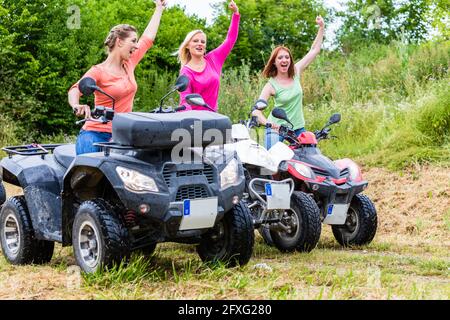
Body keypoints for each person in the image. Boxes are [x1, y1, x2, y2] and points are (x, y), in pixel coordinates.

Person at [68, 0, 167, 155]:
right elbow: (75, 89)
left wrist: (159, 9)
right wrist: (76, 105)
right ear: (120, 42)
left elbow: (148, 38)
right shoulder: (98, 71)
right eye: (133, 41)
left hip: (122, 135)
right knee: (91, 172)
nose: (136, 46)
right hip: (94, 133)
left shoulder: (130, 63)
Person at [252, 16, 325, 150]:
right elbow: (256, 112)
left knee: (311, 155)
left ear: (290, 60)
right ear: (275, 62)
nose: (284, 60)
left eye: (287, 57)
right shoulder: (271, 85)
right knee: (273, 162)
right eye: (280, 58)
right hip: (276, 128)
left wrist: (321, 28)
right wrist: (269, 124)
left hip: (297, 128)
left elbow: (314, 50)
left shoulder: (296, 71)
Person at [177, 0, 240, 112]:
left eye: (203, 41)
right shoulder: (186, 72)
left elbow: (230, 39)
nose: (200, 43)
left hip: (213, 118)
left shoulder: (213, 59)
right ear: (187, 46)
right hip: (194, 121)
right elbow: (185, 102)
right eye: (195, 41)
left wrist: (236, 14)